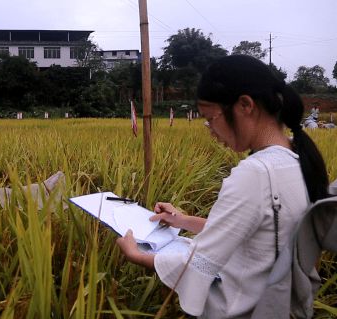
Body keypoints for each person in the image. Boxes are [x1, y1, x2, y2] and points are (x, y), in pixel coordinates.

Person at [116, 55, 329, 318]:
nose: (211, 131)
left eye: (210, 118)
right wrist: (182, 220)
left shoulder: (255, 173)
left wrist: (138, 255)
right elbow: (250, 232)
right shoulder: (297, 160)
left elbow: (199, 265)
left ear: (245, 105)